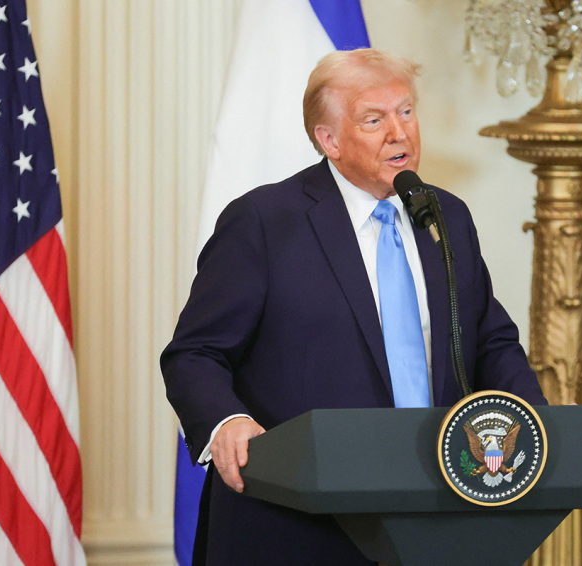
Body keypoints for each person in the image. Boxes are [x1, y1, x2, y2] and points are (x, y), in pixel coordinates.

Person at [161, 48, 547, 565]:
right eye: (374, 119)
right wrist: (226, 420)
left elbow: (490, 340)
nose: (399, 133)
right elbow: (195, 353)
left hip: (437, 511)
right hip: (298, 522)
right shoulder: (265, 221)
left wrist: (537, 425)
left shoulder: (445, 216)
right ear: (330, 140)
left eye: (406, 111)